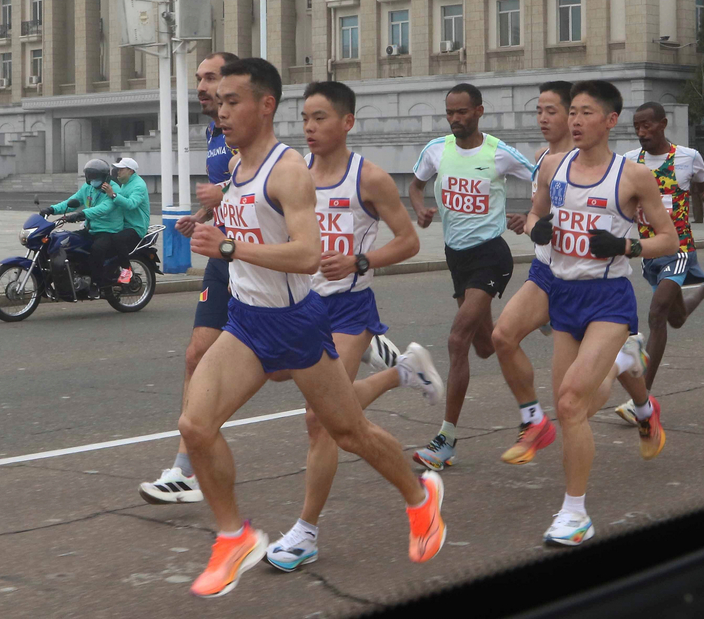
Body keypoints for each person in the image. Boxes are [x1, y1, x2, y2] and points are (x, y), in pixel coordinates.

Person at [179, 58, 445, 598]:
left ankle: (421, 499)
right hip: (247, 322)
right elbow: (250, 220)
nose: (222, 111)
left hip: (297, 323)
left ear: (265, 105)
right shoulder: (236, 165)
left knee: (347, 432)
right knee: (195, 426)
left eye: (233, 101)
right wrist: (208, 225)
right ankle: (234, 536)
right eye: (219, 102)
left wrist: (227, 246)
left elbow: (307, 255)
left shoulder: (288, 170)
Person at [265, 80, 444, 572]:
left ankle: (305, 532)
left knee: (320, 421)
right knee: (309, 395)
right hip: (299, 308)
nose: (309, 127)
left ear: (347, 122)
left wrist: (360, 261)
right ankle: (401, 371)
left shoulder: (370, 178)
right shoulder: (290, 173)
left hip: (347, 310)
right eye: (304, 118)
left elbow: (408, 241)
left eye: (320, 117)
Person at [523, 80, 679, 545]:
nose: (574, 120)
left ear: (610, 121)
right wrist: (538, 230)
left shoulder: (632, 177)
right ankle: (629, 372)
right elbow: (533, 216)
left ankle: (576, 514)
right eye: (572, 111)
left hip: (609, 298)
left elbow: (668, 240)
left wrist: (626, 245)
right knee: (572, 407)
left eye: (586, 112)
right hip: (564, 296)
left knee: (571, 403)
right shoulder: (554, 165)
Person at [409, 83, 536, 470]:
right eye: (450, 113)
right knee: (485, 345)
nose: (455, 119)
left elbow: (543, 183)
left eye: (462, 112)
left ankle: (445, 439)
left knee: (457, 339)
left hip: (491, 256)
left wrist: (529, 217)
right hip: (456, 257)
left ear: (479, 111)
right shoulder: (436, 150)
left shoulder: (498, 153)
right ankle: (533, 320)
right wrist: (421, 209)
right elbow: (415, 185)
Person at [140, 52, 238, 504]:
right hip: (224, 260)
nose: (200, 85)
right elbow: (227, 195)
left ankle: (379, 355)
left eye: (210, 77)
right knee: (196, 355)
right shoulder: (214, 132)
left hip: (260, 264)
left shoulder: (247, 134)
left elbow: (270, 184)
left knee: (321, 398)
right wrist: (202, 215)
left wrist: (225, 193)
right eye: (198, 78)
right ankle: (186, 468)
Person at [616, 102, 704, 423]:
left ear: (663, 124)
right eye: (637, 126)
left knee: (656, 314)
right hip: (648, 251)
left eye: (647, 126)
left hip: (679, 247)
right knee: (675, 318)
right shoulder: (628, 163)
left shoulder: (688, 157)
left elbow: (700, 181)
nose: (641, 132)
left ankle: (643, 400)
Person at [492, 81, 574, 465]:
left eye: (551, 111)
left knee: (591, 383)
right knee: (503, 337)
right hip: (545, 271)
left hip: (582, 278)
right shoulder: (542, 157)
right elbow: (541, 209)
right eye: (538, 111)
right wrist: (531, 221)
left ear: (573, 114)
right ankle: (533, 420)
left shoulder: (591, 160)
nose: (542, 118)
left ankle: (643, 406)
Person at [41, 158, 112, 301]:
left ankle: (96, 286)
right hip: (90, 229)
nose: (93, 180)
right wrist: (52, 209)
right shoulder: (88, 188)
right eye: (91, 177)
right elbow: (72, 202)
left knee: (97, 250)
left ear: (105, 177)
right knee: (64, 242)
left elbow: (104, 208)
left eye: (96, 177)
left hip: (108, 230)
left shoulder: (111, 189)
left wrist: (82, 214)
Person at [79, 156, 149, 300]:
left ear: (130, 171)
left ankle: (127, 270)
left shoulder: (138, 186)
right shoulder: (125, 183)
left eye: (120, 169)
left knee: (117, 239)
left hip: (136, 226)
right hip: (125, 224)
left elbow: (131, 204)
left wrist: (113, 194)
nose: (116, 172)